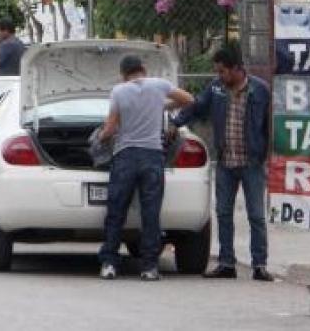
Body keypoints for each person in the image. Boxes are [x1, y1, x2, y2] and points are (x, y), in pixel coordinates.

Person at [172, 43, 273, 281]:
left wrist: (267, 155)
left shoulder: (260, 90)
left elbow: (269, 126)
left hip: (252, 163)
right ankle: (227, 263)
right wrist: (175, 123)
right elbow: (196, 106)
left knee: (256, 215)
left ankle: (260, 264)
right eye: (218, 72)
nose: (220, 76)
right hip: (226, 162)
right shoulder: (216, 89)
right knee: (223, 213)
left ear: (237, 69)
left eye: (223, 71)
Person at [97, 54, 194, 281]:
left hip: (125, 156)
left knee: (116, 211)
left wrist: (100, 137)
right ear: (144, 69)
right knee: (150, 213)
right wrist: (162, 105)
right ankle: (150, 267)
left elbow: (110, 129)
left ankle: (109, 263)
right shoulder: (159, 85)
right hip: (153, 156)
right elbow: (189, 99)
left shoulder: (119, 91)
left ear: (123, 74)